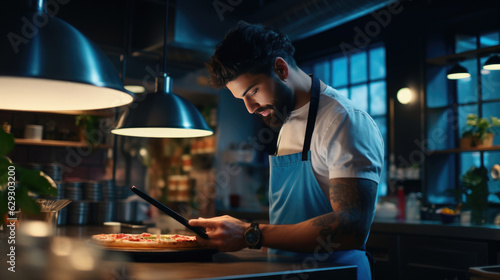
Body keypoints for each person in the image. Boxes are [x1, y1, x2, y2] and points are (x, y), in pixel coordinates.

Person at [189, 21, 384, 280]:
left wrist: (250, 233)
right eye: (242, 99)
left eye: (253, 92)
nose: (250, 108)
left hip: (337, 274)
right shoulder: (287, 118)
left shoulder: (344, 120)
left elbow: (352, 226)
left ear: (281, 68)